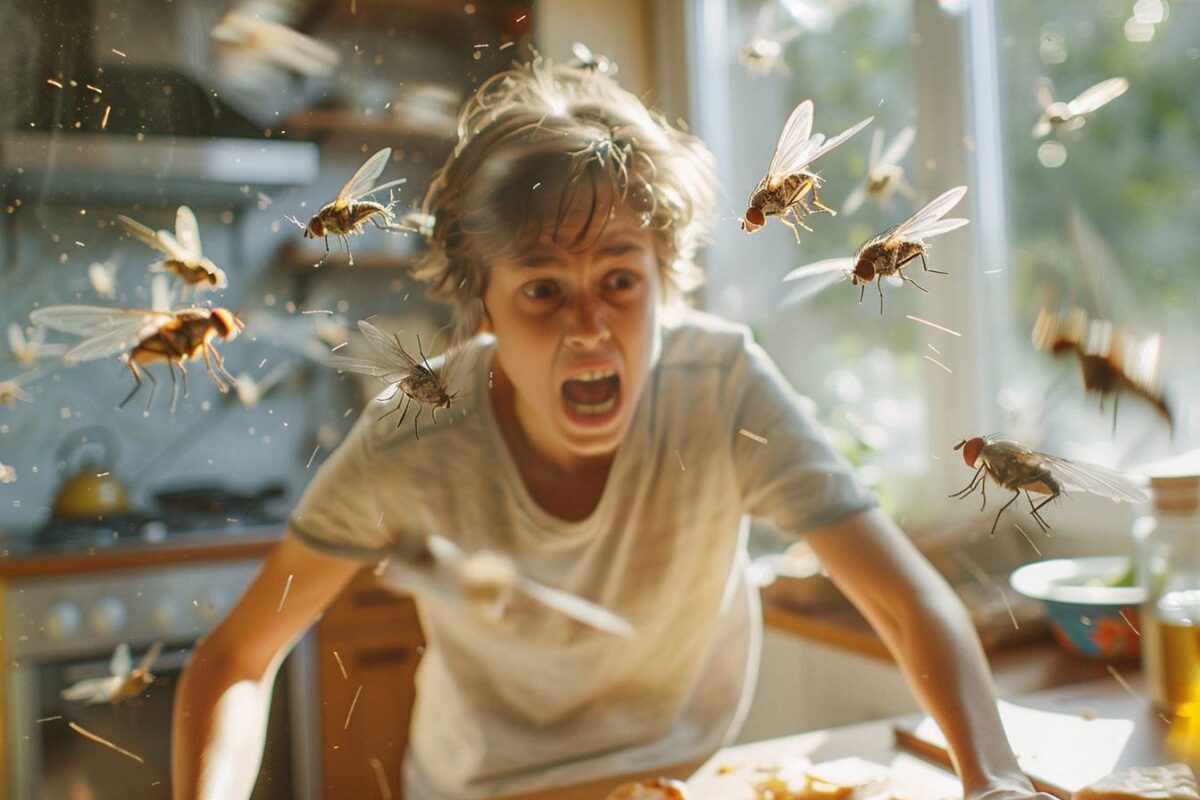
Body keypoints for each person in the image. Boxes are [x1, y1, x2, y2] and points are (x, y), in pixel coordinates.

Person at [172, 58, 1054, 800]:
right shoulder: (413, 433)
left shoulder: (723, 385)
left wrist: (995, 779)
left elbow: (907, 599)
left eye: (620, 282)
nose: (587, 327)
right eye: (543, 289)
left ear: (668, 282)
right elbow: (238, 658)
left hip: (682, 785)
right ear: (482, 305)